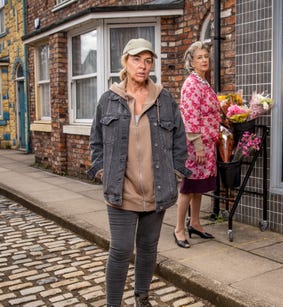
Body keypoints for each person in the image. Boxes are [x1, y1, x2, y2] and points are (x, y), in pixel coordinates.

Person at [88, 38, 191, 307]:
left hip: (157, 191)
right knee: (121, 249)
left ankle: (141, 298)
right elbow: (96, 139)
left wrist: (176, 172)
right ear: (125, 61)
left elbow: (180, 139)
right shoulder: (108, 100)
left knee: (147, 249)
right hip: (121, 191)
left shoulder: (164, 99)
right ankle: (113, 303)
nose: (142, 66)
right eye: (136, 59)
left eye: (147, 61)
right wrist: (100, 169)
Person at [174, 41, 221, 249]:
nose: (204, 60)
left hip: (208, 143)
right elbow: (190, 118)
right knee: (189, 186)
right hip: (196, 145)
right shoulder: (192, 84)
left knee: (199, 186)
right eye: (199, 57)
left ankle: (195, 223)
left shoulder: (203, 82)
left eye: (206, 56)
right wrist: (199, 146)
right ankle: (179, 229)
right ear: (191, 62)